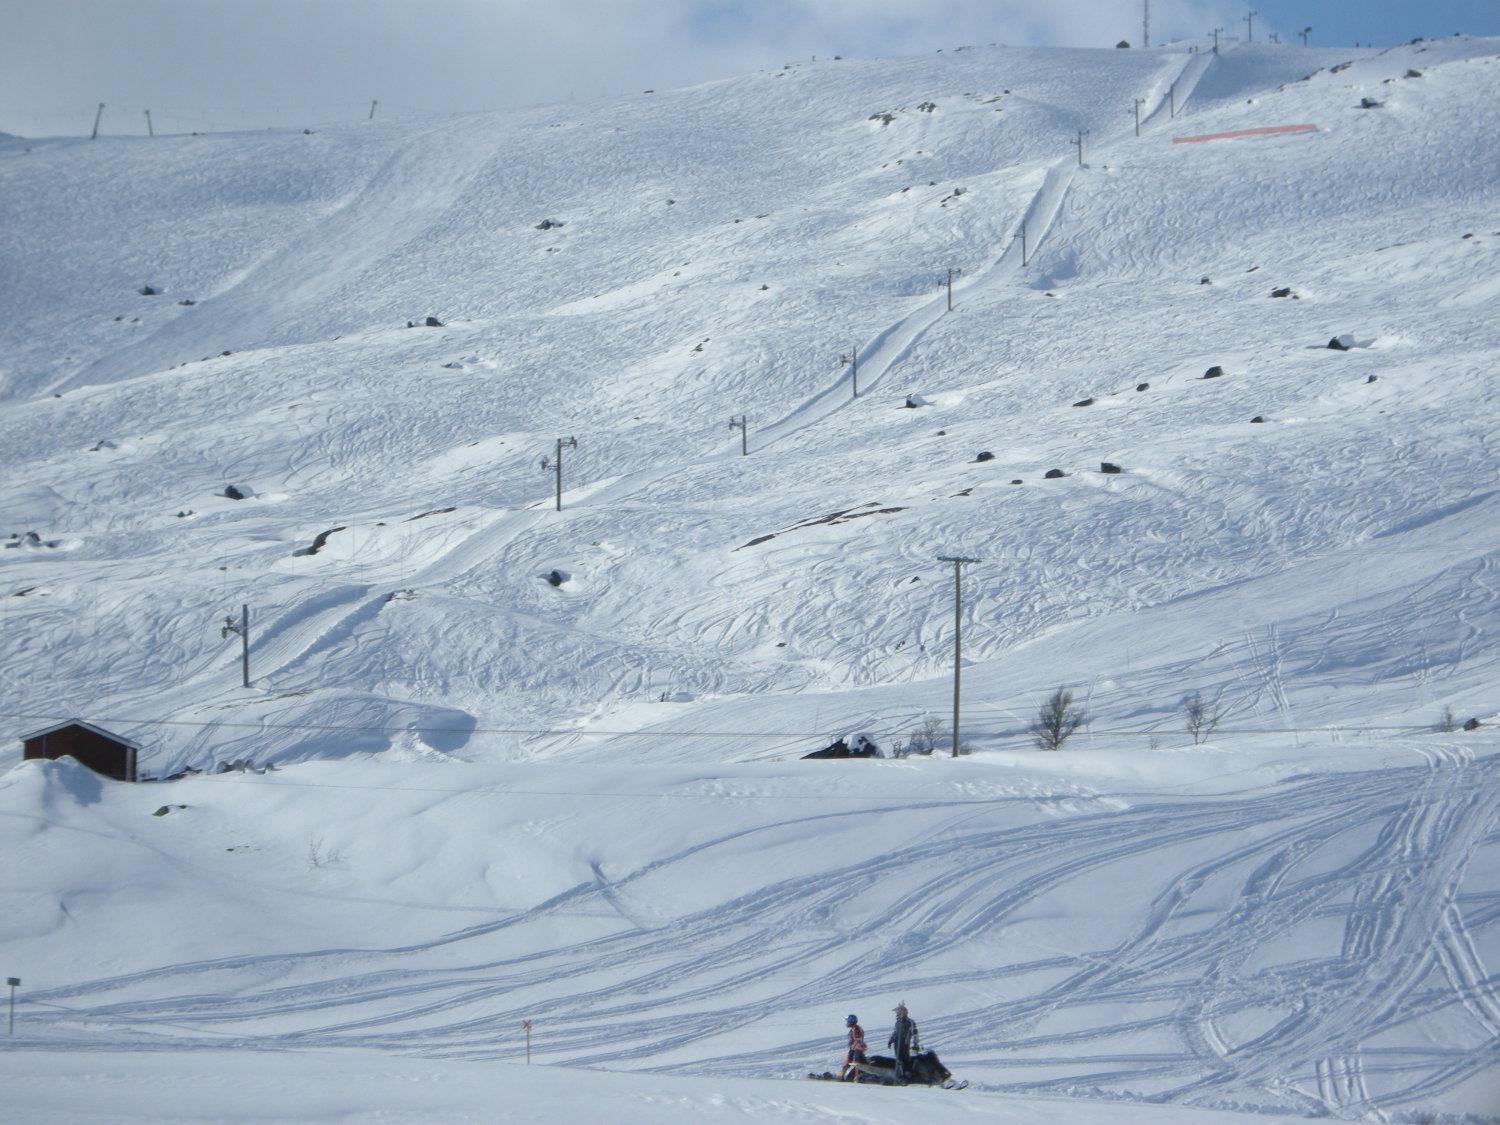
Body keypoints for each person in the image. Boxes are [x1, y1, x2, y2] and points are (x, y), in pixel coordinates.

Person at [888, 1001, 919, 1080]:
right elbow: (895, 1032)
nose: (897, 1014)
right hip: (897, 1043)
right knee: (899, 1059)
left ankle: (908, 1074)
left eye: (898, 1012)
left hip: (905, 1043)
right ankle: (901, 1075)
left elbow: (915, 1033)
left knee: (905, 1059)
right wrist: (891, 1040)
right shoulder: (898, 1022)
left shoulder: (910, 1022)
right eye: (897, 1013)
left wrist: (915, 1044)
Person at [838, 1014, 867, 1081]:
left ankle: (856, 1076)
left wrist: (853, 1046)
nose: (847, 1023)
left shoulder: (856, 1029)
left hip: (857, 1049)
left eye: (847, 1021)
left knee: (855, 1061)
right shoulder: (854, 1029)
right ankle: (841, 1075)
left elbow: (858, 1039)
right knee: (848, 1060)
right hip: (854, 1049)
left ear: (851, 1021)